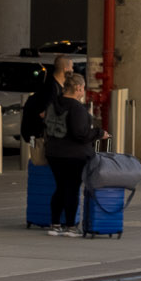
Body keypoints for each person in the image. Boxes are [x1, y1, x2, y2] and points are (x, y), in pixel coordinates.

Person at [40, 65, 100, 235]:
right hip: (74, 155)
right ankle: (71, 227)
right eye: (83, 88)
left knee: (60, 187)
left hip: (53, 153)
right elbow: (80, 134)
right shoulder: (77, 108)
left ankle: (54, 224)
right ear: (78, 88)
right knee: (72, 189)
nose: (83, 91)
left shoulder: (53, 104)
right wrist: (99, 133)